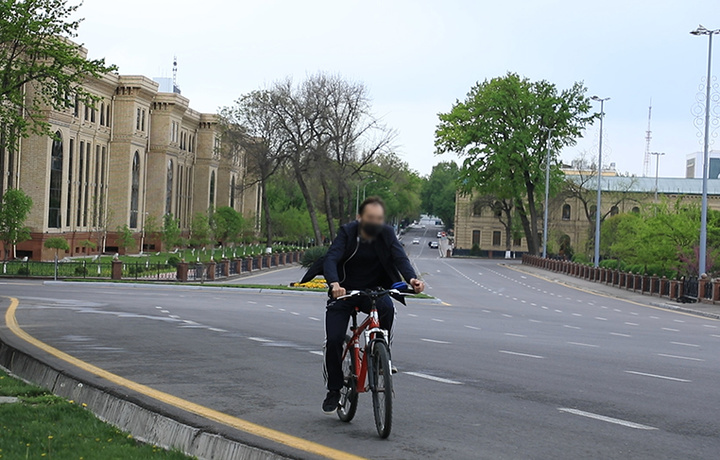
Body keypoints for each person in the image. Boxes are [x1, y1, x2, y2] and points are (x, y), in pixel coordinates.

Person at [321, 196, 425, 414]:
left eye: (378, 219)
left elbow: (399, 257)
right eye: (370, 218)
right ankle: (334, 388)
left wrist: (412, 279)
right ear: (359, 218)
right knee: (334, 340)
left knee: (387, 308)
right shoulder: (347, 233)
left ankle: (380, 354)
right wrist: (334, 284)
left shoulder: (386, 234)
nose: (374, 223)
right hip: (345, 292)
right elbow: (331, 258)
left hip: (373, 291)